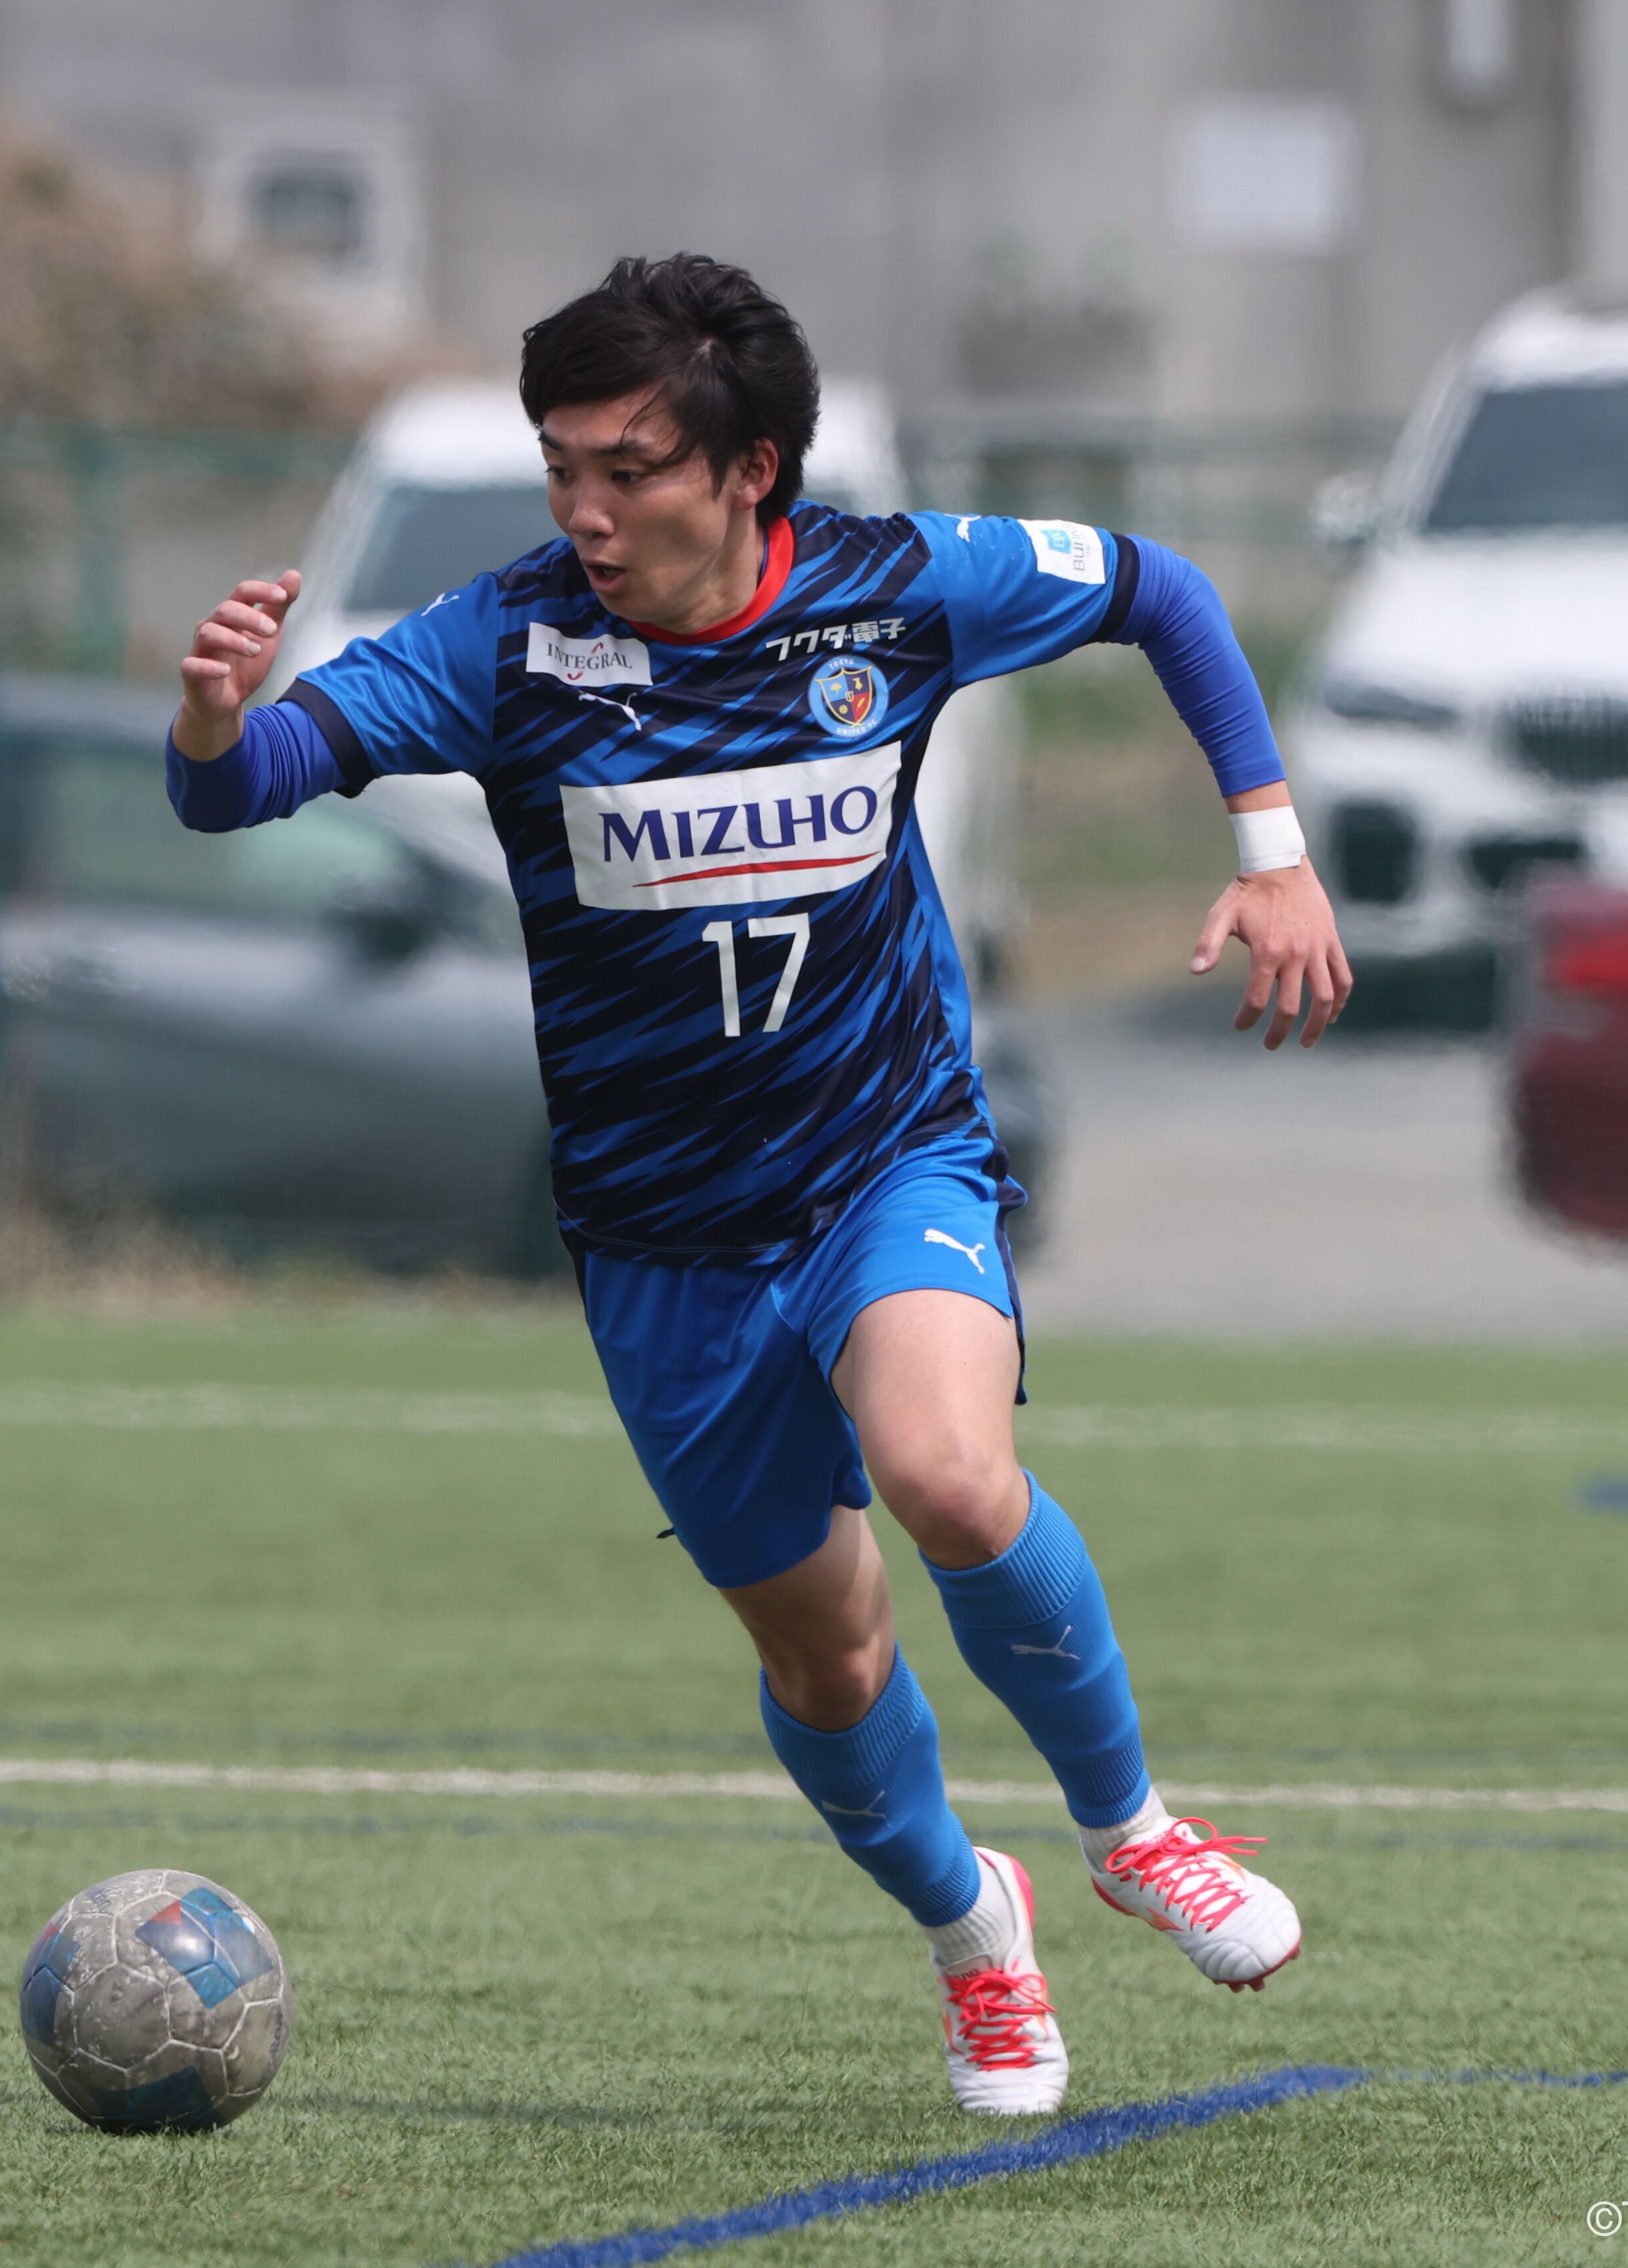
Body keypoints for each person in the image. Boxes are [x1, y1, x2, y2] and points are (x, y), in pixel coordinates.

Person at [165, 254, 1350, 2116]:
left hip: (887, 1156)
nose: (585, 511)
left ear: (750, 470)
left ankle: (1133, 1829)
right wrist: (220, 725)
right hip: (664, 1240)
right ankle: (974, 1930)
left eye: (627, 469)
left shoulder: (897, 588)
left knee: (948, 1475)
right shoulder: (507, 647)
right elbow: (248, 788)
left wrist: (1270, 851)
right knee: (829, 1652)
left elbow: (1161, 590)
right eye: (562, 468)